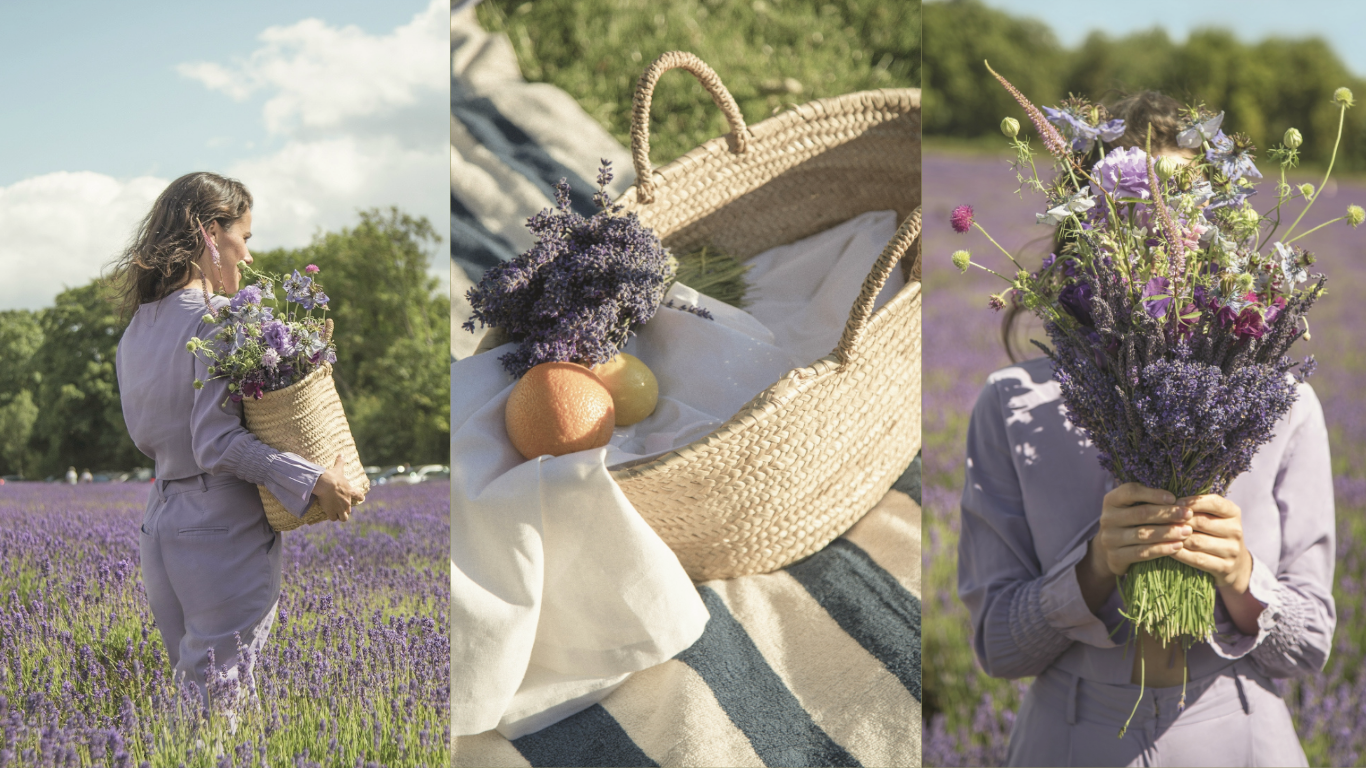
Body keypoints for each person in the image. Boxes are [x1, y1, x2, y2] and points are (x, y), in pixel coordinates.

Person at [958, 92, 1335, 767]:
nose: (1164, 225)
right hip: (1071, 736)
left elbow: (1307, 647)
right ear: (1089, 224)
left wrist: (1240, 572)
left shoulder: (1283, 401)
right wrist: (1096, 565)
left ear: (1222, 221)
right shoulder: (1011, 405)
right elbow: (999, 649)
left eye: (1187, 202)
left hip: (1241, 733)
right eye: (1134, 207)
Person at [111, 171, 364, 715]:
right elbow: (217, 444)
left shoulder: (136, 330)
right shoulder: (218, 318)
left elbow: (147, 438)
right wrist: (314, 478)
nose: (247, 256)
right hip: (220, 528)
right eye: (243, 237)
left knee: (194, 692)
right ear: (209, 233)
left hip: (161, 522)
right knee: (222, 702)